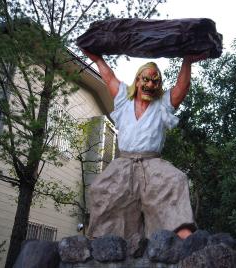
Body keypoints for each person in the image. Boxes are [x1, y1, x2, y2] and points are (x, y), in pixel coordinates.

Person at [82, 49, 208, 240]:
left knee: (175, 180)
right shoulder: (124, 99)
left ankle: (180, 233)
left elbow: (182, 88)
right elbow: (109, 78)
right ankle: (100, 239)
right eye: (146, 79)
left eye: (155, 81)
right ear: (138, 80)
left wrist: (187, 62)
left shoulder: (162, 104)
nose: (150, 84)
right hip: (123, 163)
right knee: (101, 188)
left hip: (152, 163)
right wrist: (96, 58)